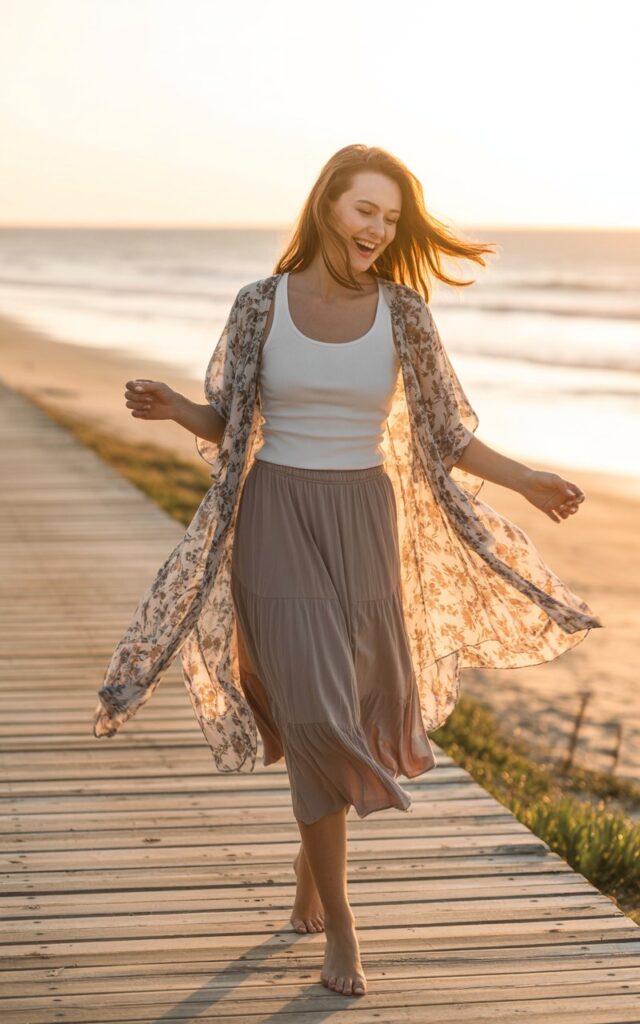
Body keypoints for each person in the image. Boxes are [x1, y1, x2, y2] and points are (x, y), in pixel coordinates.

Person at [103, 144, 602, 999]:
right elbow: (229, 421)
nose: (378, 229)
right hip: (275, 519)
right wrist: (175, 409)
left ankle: (309, 870)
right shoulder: (260, 304)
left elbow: (446, 433)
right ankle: (343, 925)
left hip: (365, 522)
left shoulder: (404, 314)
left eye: (392, 218)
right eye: (366, 210)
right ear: (328, 205)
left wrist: (528, 479)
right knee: (316, 715)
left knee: (352, 710)